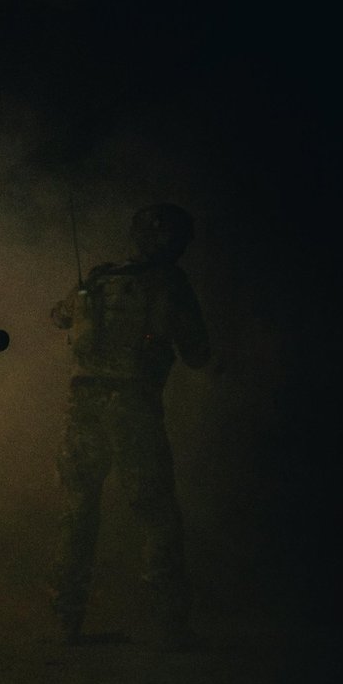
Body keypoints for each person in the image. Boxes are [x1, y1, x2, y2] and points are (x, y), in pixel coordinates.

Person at [48, 203, 211, 648]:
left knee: (77, 511)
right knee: (157, 513)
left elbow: (60, 316)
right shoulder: (170, 284)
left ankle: (66, 619)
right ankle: (170, 625)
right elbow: (198, 351)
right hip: (134, 407)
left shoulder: (99, 278)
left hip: (82, 406)